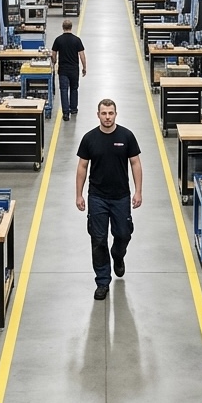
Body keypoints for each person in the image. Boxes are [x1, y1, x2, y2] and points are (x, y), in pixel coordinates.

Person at [75, 99, 143, 300]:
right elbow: (82, 168)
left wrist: (138, 191)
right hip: (97, 197)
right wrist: (79, 194)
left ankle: (118, 255)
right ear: (98, 115)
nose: (107, 117)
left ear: (116, 114)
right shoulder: (89, 139)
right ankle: (103, 281)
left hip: (121, 196)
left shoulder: (126, 136)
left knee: (123, 234)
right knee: (98, 240)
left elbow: (136, 163)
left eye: (110, 113)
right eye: (103, 113)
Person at [50, 19, 86, 121]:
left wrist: (54, 62)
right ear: (71, 27)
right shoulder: (77, 40)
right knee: (74, 89)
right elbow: (82, 55)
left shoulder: (58, 40)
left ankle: (65, 113)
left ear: (63, 27)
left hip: (63, 70)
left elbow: (53, 53)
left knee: (64, 90)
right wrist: (84, 67)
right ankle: (73, 109)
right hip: (74, 69)